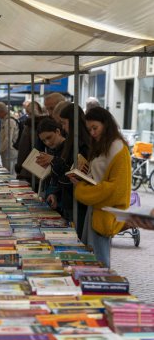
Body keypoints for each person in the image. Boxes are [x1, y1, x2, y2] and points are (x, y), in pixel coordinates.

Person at [69, 107, 131, 268]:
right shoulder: (103, 146)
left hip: (104, 211)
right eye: (89, 129)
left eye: (95, 128)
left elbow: (117, 189)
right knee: (93, 258)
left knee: (99, 261)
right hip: (96, 209)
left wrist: (82, 190)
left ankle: (102, 291)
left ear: (106, 124)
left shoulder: (118, 149)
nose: (92, 133)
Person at [36, 103, 90, 238]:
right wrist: (55, 192)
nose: (64, 127)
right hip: (68, 199)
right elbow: (64, 172)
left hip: (79, 200)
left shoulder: (81, 144)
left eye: (64, 123)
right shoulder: (70, 143)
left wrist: (53, 161)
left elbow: (70, 170)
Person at [36, 117, 66, 207]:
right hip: (55, 194)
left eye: (49, 137)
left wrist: (53, 160)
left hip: (65, 198)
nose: (48, 142)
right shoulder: (52, 149)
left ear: (58, 131)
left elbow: (66, 172)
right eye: (44, 141)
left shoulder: (67, 148)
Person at [0, 102, 19, 174]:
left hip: (10, 152)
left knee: (10, 173)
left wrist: (0, 150)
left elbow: (8, 139)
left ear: (1, 112)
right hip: (7, 152)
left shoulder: (9, 121)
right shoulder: (6, 120)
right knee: (7, 173)